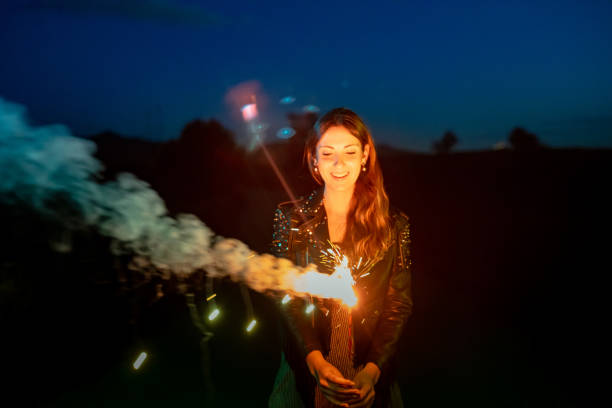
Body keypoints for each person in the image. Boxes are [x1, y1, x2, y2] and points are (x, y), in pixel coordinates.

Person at [269, 108, 412, 408]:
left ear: (365, 156)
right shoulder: (290, 219)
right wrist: (315, 361)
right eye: (328, 152)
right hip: (304, 368)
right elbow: (286, 297)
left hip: (371, 370)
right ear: (314, 158)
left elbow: (397, 304)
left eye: (349, 151)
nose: (338, 163)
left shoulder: (394, 224)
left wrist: (373, 372)